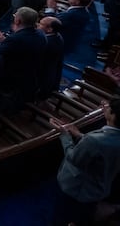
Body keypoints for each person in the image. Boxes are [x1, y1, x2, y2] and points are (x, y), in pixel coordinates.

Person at [50, 96, 120, 226]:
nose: (104, 107)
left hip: (77, 190)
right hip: (98, 189)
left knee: (62, 218)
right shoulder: (101, 139)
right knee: (85, 217)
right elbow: (106, 149)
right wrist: (81, 136)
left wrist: (64, 135)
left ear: (114, 116)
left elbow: (73, 158)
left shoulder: (94, 141)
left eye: (108, 107)